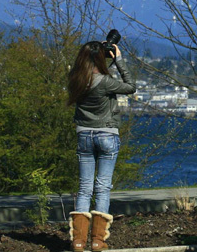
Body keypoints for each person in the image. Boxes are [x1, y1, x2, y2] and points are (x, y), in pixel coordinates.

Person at [67, 39, 136, 252]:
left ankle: (78, 241)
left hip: (84, 135)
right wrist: (118, 59)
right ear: (100, 58)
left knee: (84, 187)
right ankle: (98, 241)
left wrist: (102, 58)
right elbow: (130, 86)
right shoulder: (106, 82)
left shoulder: (75, 79)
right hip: (107, 133)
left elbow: (92, 74)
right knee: (103, 187)